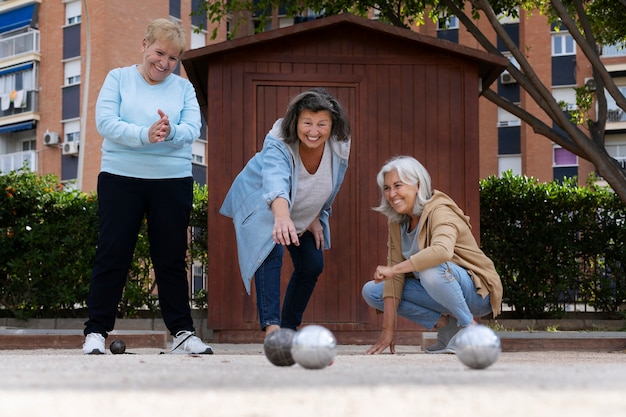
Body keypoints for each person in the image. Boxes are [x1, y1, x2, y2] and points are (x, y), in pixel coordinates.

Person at [82, 18, 213, 355]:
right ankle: (95, 331)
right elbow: (106, 123)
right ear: (144, 45)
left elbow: (193, 128)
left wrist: (170, 133)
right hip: (120, 177)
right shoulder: (118, 79)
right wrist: (145, 134)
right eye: (159, 52)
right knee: (113, 253)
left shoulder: (183, 88)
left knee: (170, 258)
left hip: (172, 180)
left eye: (172, 58)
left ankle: (183, 333)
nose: (164, 63)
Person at [220, 88, 351, 336]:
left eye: (322, 124)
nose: (314, 131)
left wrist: (315, 215)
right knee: (270, 253)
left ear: (333, 126)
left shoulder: (340, 144)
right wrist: (281, 217)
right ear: (296, 122)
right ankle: (273, 330)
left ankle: (288, 329)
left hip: (301, 208)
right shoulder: (278, 140)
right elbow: (274, 180)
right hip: (264, 202)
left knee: (312, 264)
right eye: (307, 123)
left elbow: (331, 181)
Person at [362, 156, 502, 354]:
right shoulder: (397, 222)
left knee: (430, 266)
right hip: (437, 287)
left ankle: (469, 327)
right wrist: (387, 332)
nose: (392, 194)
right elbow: (394, 281)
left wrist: (394, 269)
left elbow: (441, 251)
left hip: (478, 294)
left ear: (417, 185)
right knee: (372, 291)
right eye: (386, 188)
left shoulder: (440, 210)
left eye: (398, 185)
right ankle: (446, 325)